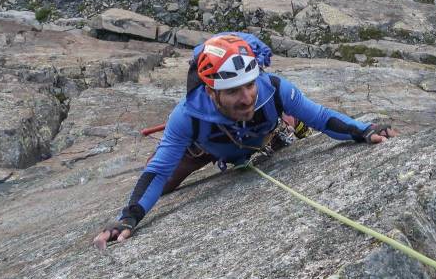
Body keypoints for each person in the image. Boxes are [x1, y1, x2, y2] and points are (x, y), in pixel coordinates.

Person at [93, 32, 397, 249]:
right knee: (166, 182)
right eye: (234, 91)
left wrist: (364, 130)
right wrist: (128, 218)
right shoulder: (187, 116)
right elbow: (157, 172)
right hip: (207, 147)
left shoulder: (273, 88)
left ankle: (286, 125)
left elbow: (320, 116)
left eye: (249, 85)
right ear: (212, 93)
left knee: (293, 117)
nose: (247, 97)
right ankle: (280, 128)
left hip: (258, 134)